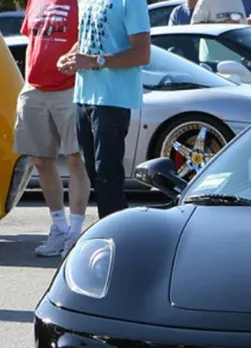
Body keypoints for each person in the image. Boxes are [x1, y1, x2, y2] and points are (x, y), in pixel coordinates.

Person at [56, 0, 151, 220]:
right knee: (95, 175)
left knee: (108, 176)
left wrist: (94, 61)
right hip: (84, 96)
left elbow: (142, 54)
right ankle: (114, 228)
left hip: (113, 99)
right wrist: (69, 57)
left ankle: (118, 233)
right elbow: (88, 40)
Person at [14, 0, 91, 257]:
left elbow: (88, 38)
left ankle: (75, 233)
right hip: (34, 89)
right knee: (41, 160)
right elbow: (31, 41)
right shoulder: (35, 2)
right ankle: (59, 228)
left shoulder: (81, 3)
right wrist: (28, 81)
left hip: (69, 89)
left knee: (75, 158)